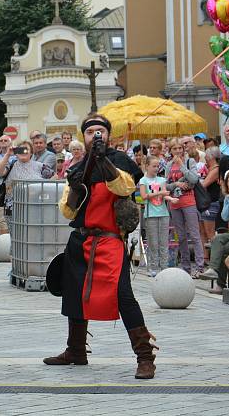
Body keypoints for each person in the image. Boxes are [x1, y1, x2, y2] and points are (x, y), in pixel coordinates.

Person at [44, 114, 156, 379]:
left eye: (101, 131)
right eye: (91, 131)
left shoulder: (120, 163)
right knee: (74, 294)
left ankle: (145, 357)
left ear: (108, 135)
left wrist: (103, 159)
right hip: (81, 240)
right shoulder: (76, 168)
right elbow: (68, 212)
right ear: (83, 136)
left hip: (110, 241)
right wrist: (75, 187)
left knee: (124, 298)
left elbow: (123, 188)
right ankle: (76, 350)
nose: (96, 135)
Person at [165, 137, 204, 277]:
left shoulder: (189, 161)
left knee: (194, 235)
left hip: (189, 201)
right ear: (170, 150)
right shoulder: (168, 165)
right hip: (174, 203)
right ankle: (186, 267)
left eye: (180, 148)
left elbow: (194, 179)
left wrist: (182, 165)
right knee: (181, 237)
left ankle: (200, 267)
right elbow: (166, 186)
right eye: (174, 148)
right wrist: (177, 184)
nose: (178, 151)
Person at [138, 155, 178, 276]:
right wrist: (159, 192)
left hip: (163, 213)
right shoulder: (143, 180)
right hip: (150, 214)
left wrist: (170, 199)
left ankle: (164, 267)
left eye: (158, 166)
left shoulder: (161, 180)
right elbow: (144, 196)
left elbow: (164, 194)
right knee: (153, 242)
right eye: (154, 166)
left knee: (163, 241)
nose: (156, 168)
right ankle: (153, 267)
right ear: (147, 166)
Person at [0, 141, 52, 215]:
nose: (23, 152)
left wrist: (44, 189)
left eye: (26, 149)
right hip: (13, 206)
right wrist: (8, 154)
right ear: (17, 152)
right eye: (21, 149)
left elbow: (54, 177)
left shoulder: (40, 166)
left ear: (31, 152)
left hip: (34, 206)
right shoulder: (11, 164)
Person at [199, 147, 222, 258]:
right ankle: (205, 257)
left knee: (210, 232)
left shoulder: (216, 169)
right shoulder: (210, 169)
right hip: (205, 203)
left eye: (207, 156)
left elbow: (204, 185)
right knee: (202, 231)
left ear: (211, 157)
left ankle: (215, 258)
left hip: (212, 203)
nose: (206, 158)